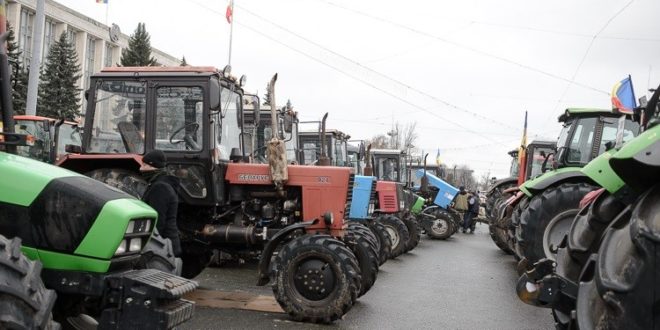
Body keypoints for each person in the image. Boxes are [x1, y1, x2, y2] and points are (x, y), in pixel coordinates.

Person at [140, 149, 182, 256]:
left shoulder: (160, 187)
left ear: (153, 166)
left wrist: (150, 245)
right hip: (166, 245)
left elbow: (158, 221)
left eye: (144, 165)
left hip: (164, 248)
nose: (140, 168)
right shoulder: (161, 183)